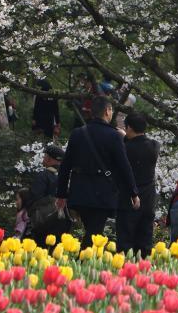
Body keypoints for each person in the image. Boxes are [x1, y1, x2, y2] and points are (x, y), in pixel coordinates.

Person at [56, 96, 140, 248]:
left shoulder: (77, 133)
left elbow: (65, 165)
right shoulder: (114, 135)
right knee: (94, 234)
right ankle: (83, 261)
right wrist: (133, 192)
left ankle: (84, 261)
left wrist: (61, 193)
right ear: (107, 111)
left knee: (92, 230)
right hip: (102, 193)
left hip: (79, 190)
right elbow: (124, 166)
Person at [116, 113, 160, 256]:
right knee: (145, 239)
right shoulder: (154, 146)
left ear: (129, 127)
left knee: (125, 239)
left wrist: (123, 138)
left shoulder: (125, 148)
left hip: (128, 198)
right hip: (148, 200)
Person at [29, 144, 67, 245]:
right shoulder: (68, 176)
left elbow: (34, 198)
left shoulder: (43, 176)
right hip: (64, 222)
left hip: (44, 222)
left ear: (49, 159)